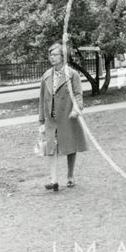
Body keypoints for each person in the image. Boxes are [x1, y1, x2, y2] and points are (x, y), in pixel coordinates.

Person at [38, 43, 88, 192]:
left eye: (55, 55)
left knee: (70, 145)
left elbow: (78, 94)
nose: (51, 58)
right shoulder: (46, 75)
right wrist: (41, 120)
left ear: (63, 57)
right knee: (50, 147)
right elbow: (41, 99)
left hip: (67, 116)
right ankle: (53, 180)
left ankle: (70, 175)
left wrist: (76, 109)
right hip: (51, 118)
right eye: (50, 55)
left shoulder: (72, 74)